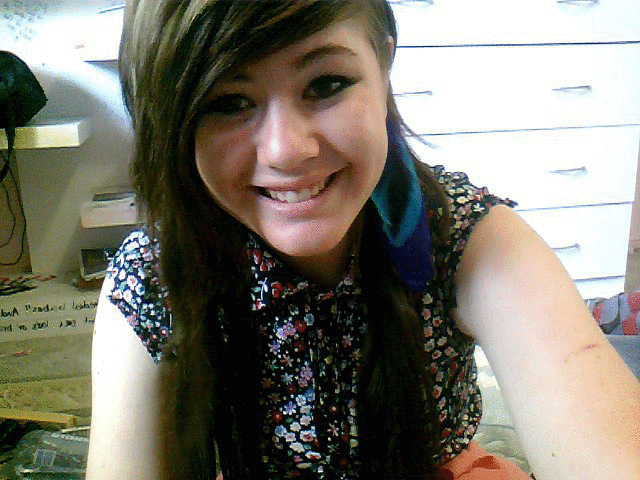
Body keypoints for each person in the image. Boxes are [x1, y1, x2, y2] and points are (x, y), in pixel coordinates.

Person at [85, 1, 640, 479]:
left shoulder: (462, 234)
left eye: (325, 84)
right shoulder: (154, 277)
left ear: (384, 65)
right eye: (228, 102)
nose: (286, 150)